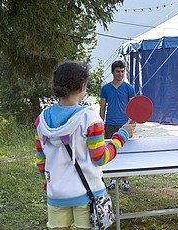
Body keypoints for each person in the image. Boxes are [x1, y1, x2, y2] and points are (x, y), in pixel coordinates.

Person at [34, 61, 135, 229]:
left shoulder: (41, 120)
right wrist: (122, 136)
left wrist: (47, 183)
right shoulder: (90, 120)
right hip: (86, 193)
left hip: (56, 193)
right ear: (82, 87)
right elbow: (100, 157)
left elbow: (40, 159)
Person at [100, 60, 136, 191]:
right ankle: (113, 179)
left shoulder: (129, 88)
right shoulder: (105, 88)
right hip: (110, 124)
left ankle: (125, 179)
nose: (120, 74)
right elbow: (102, 107)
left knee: (126, 153)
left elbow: (133, 107)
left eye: (122, 71)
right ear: (113, 72)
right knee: (111, 151)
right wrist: (101, 124)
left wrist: (131, 123)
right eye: (118, 71)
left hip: (124, 125)